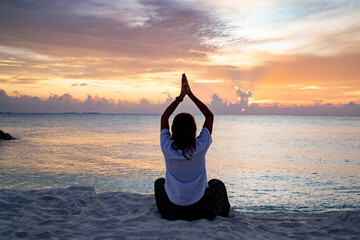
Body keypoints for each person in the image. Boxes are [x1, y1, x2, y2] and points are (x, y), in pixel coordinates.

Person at [154, 73, 230, 221]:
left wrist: (180, 97)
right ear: (193, 130)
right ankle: (224, 213)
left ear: (173, 130)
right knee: (217, 184)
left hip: (171, 210)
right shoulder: (200, 145)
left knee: (159, 183)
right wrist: (191, 95)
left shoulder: (166, 146)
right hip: (198, 209)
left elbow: (164, 117)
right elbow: (209, 116)